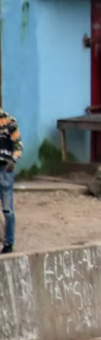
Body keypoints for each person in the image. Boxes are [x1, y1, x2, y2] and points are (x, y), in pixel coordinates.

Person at [0, 107, 21, 253]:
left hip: (4, 169)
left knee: (7, 209)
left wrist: (13, 160)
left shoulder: (9, 121)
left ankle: (9, 243)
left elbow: (18, 145)